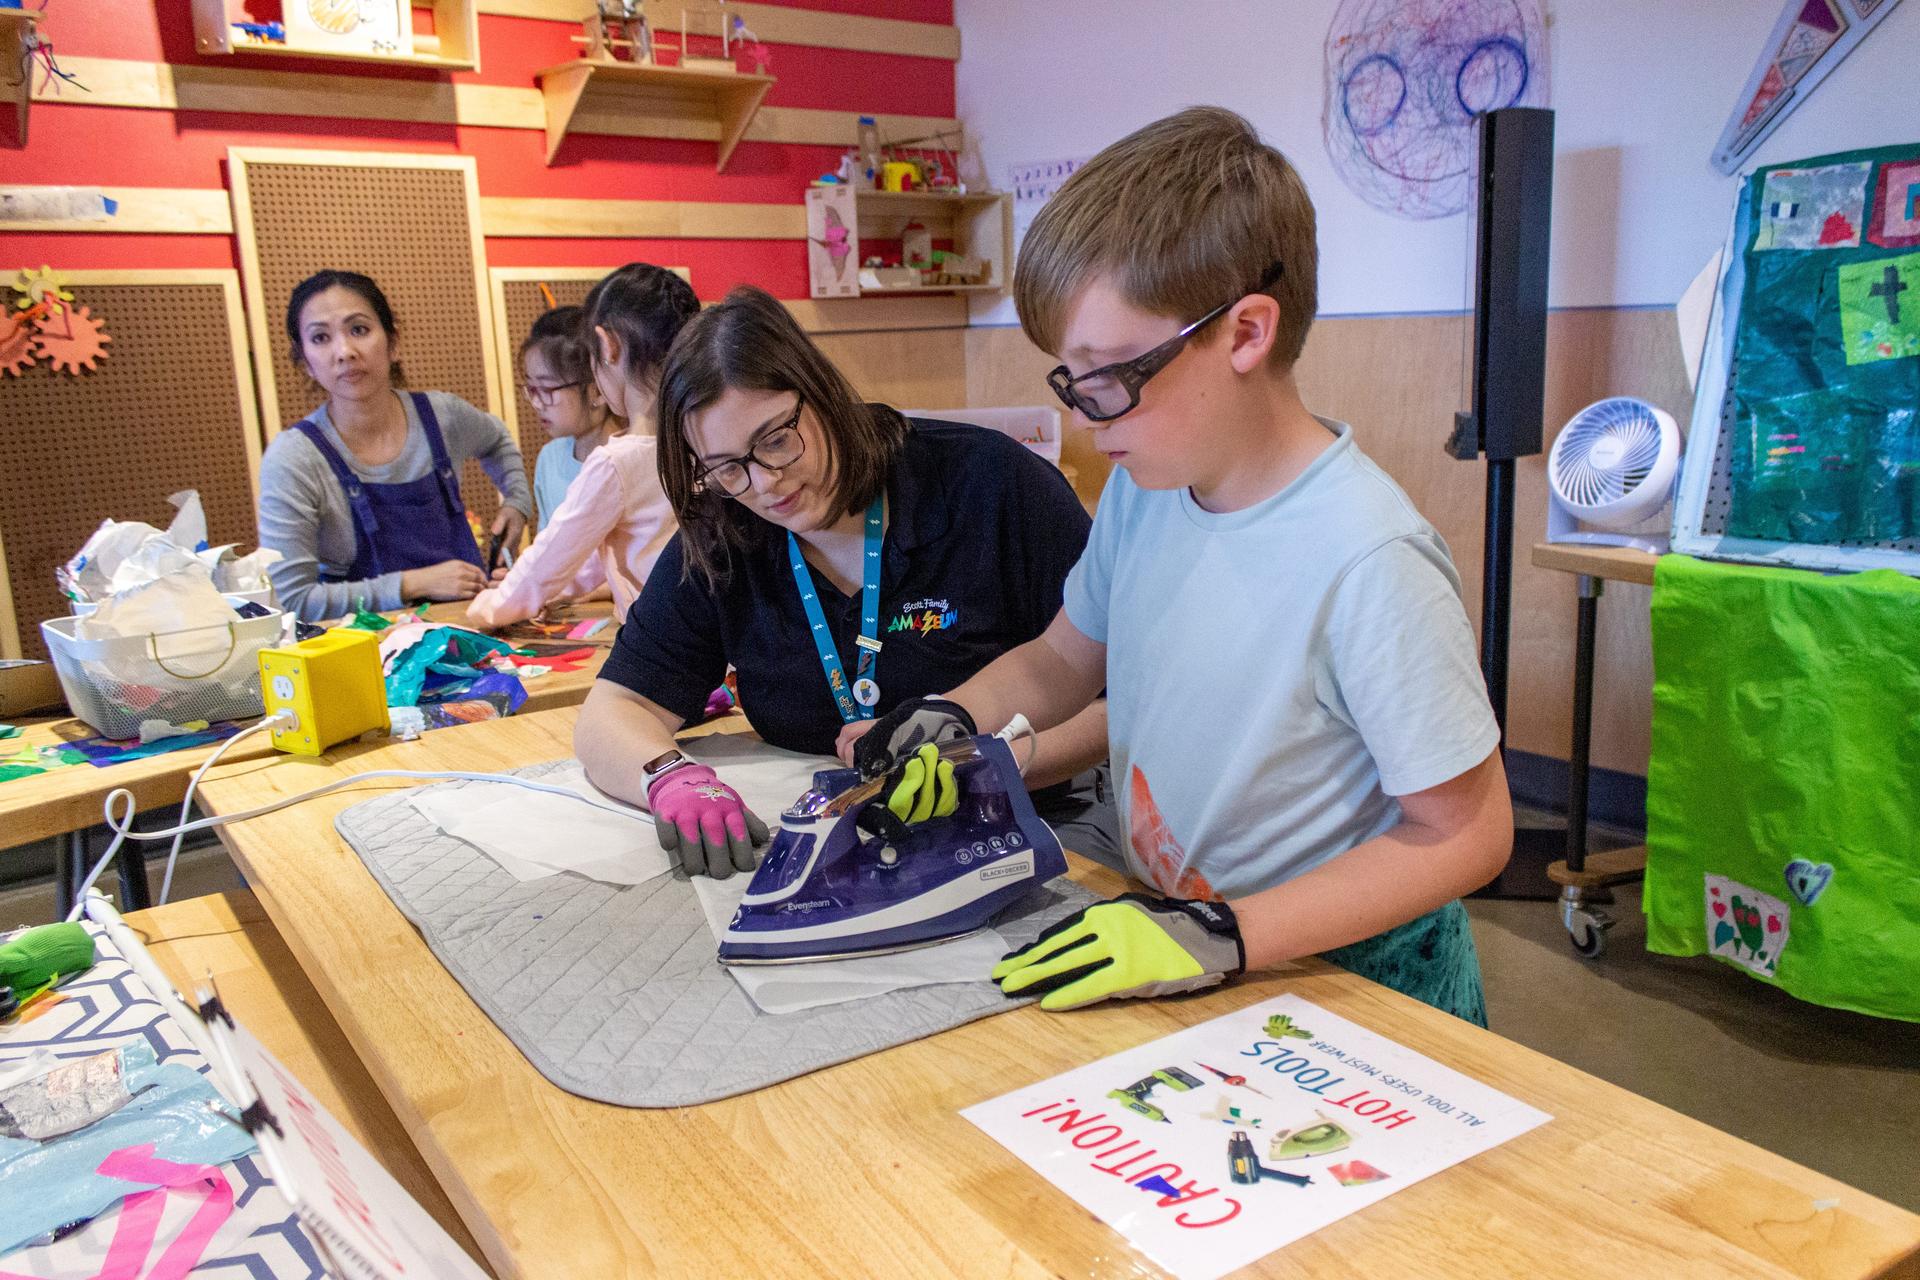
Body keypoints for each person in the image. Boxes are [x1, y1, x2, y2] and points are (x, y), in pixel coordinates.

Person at [855, 107, 1511, 1025]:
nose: (1087, 420)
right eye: (1070, 381)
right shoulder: (1148, 487)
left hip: (1354, 979)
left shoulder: (1368, 559)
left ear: (1245, 333)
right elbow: (1059, 662)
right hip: (1192, 941)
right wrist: (953, 714)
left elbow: (1467, 833)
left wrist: (1224, 933)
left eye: (1111, 378)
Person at [574, 285, 1114, 879]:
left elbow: (1115, 702)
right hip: (848, 845)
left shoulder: (990, 484)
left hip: (1042, 824)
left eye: (777, 439)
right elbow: (615, 708)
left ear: (824, 393)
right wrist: (667, 777)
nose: (766, 482)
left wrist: (988, 765)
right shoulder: (723, 535)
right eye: (728, 467)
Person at [257, 270, 531, 621]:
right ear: (305, 362)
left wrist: (517, 502)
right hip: (362, 654)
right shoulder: (293, 458)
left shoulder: (442, 416)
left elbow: (498, 441)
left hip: (471, 636)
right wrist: (410, 584)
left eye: (359, 330)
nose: (345, 351)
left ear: (393, 342)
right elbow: (293, 601)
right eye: (321, 337)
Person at [467, 285, 692, 628]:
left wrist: (487, 609)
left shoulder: (615, 462)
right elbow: (594, 552)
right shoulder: (696, 439)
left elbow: (552, 557)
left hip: (666, 644)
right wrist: (552, 591)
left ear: (607, 346)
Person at [525, 305, 621, 532]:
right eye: (531, 388)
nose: (536, 403)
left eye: (547, 389)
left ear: (597, 391)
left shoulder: (625, 459)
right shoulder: (550, 458)